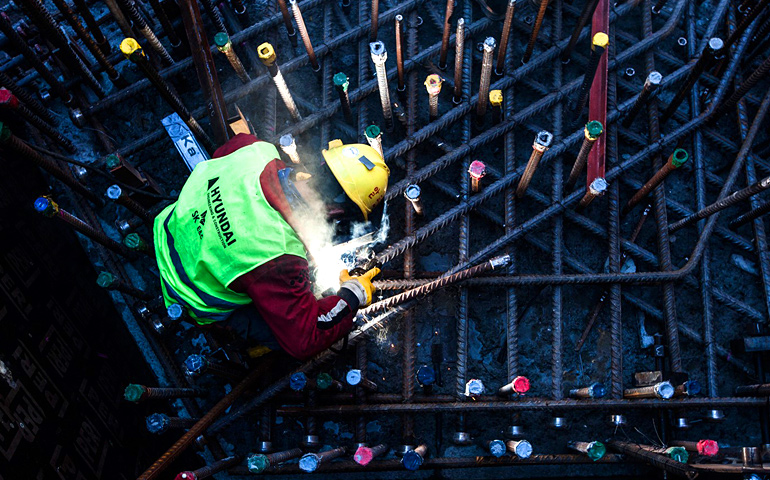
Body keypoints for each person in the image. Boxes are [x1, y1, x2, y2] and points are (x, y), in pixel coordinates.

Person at [153, 133, 389, 360]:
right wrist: (351, 295)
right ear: (338, 211)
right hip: (186, 290)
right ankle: (245, 348)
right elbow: (304, 338)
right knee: (283, 336)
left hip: (167, 228)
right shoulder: (279, 255)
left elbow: (221, 159)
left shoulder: (256, 150)